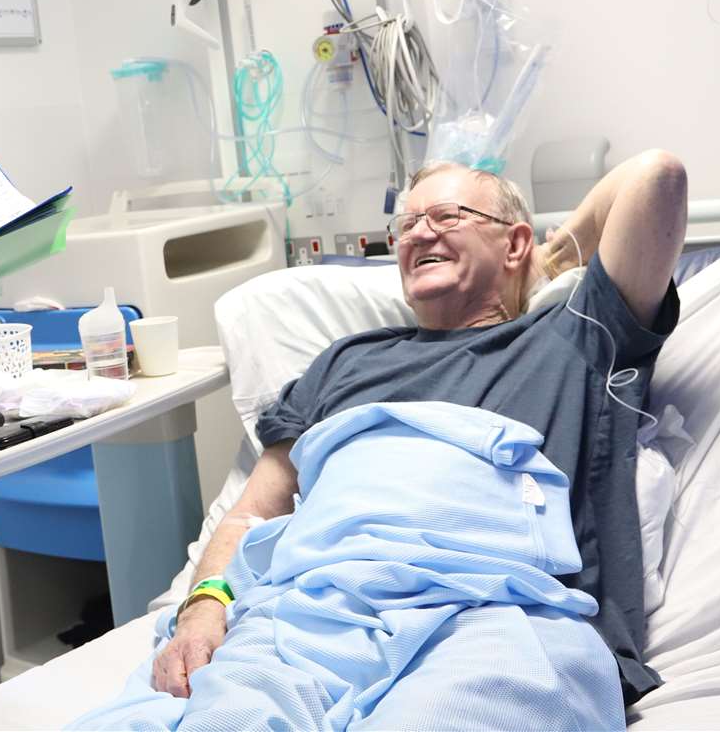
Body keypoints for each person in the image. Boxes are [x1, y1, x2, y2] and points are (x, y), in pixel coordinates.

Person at [151, 151, 688, 709]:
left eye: (447, 216)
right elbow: (250, 513)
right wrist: (205, 608)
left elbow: (657, 177)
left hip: (502, 618)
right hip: (313, 614)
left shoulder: (573, 335)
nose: (418, 234)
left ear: (514, 243)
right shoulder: (346, 361)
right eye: (406, 224)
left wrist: (548, 262)